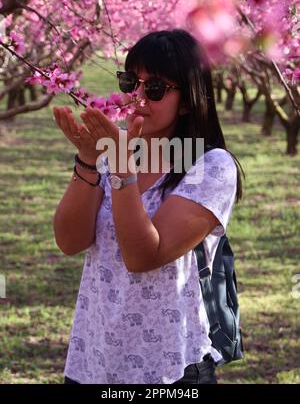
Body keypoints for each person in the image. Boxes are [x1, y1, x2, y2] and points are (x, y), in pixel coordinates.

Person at [53, 29, 244, 385]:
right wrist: (89, 159)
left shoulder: (211, 166)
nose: (137, 97)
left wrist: (123, 167)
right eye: (130, 83)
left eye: (154, 88)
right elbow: (69, 240)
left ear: (187, 101)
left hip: (171, 368)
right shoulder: (113, 147)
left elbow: (143, 256)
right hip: (93, 357)